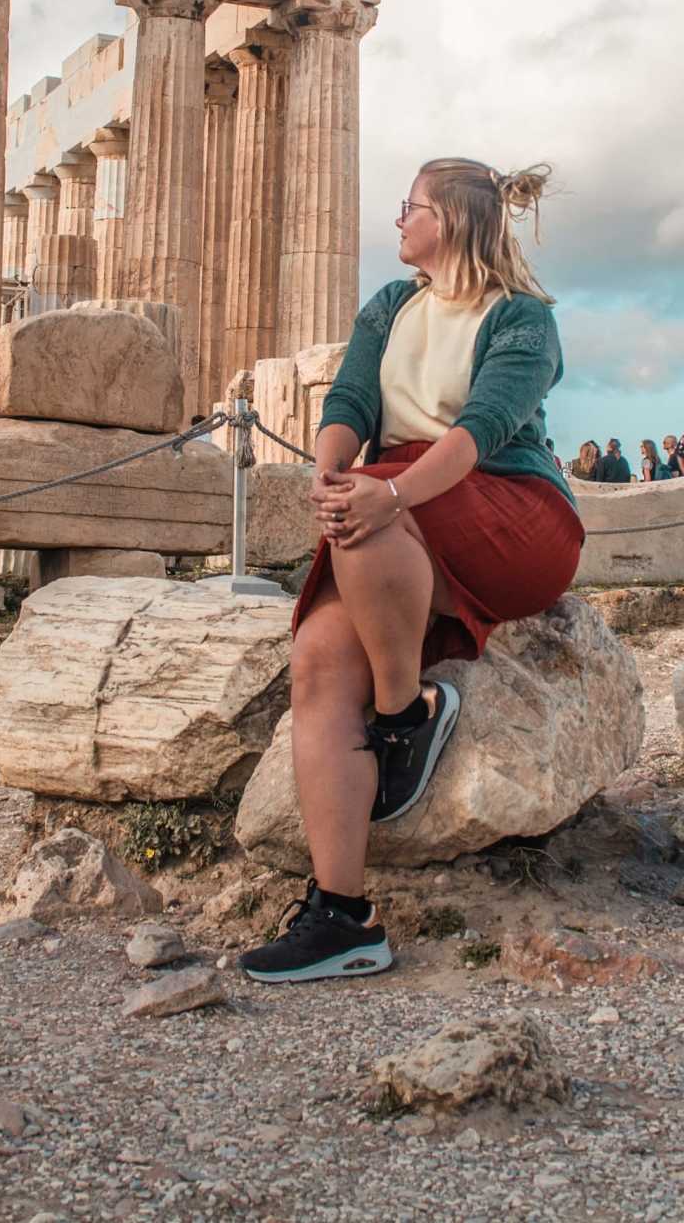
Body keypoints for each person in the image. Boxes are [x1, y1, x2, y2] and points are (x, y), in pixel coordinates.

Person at [239, 158, 582, 986]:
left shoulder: (524, 318)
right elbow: (351, 403)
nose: (399, 220)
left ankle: (403, 712)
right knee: (318, 661)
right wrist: (330, 474)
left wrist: (386, 492)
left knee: (370, 511)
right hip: (397, 515)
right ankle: (342, 916)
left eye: (412, 207)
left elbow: (480, 431)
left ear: (451, 221)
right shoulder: (391, 305)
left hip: (509, 507)